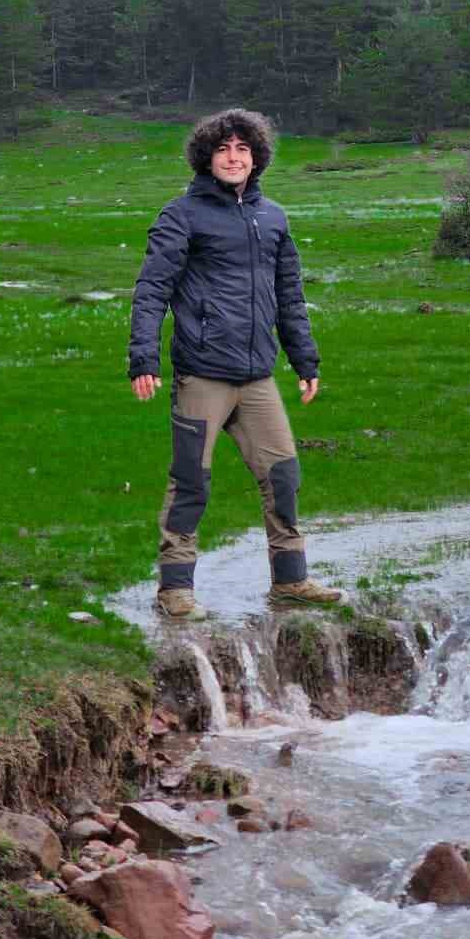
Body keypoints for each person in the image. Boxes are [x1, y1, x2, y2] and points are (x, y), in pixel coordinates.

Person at [128, 107, 342, 618]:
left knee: (283, 475)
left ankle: (290, 581)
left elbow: (289, 297)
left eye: (242, 149)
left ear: (256, 157)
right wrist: (143, 358)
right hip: (203, 374)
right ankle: (174, 590)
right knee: (191, 481)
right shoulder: (182, 215)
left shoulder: (273, 218)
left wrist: (305, 361)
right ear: (206, 157)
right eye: (223, 149)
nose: (233, 157)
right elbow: (152, 289)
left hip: (257, 377)